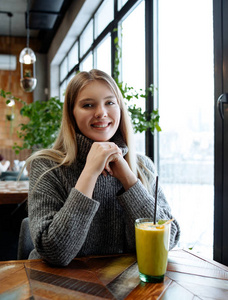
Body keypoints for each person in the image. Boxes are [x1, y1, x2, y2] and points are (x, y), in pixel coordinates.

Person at [25, 69, 180, 266]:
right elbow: (55, 252)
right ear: (72, 114)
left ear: (120, 109)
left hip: (128, 287)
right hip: (60, 288)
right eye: (88, 105)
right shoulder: (47, 165)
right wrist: (90, 171)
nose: (101, 113)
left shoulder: (143, 166)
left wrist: (128, 179)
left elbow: (169, 239)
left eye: (109, 102)